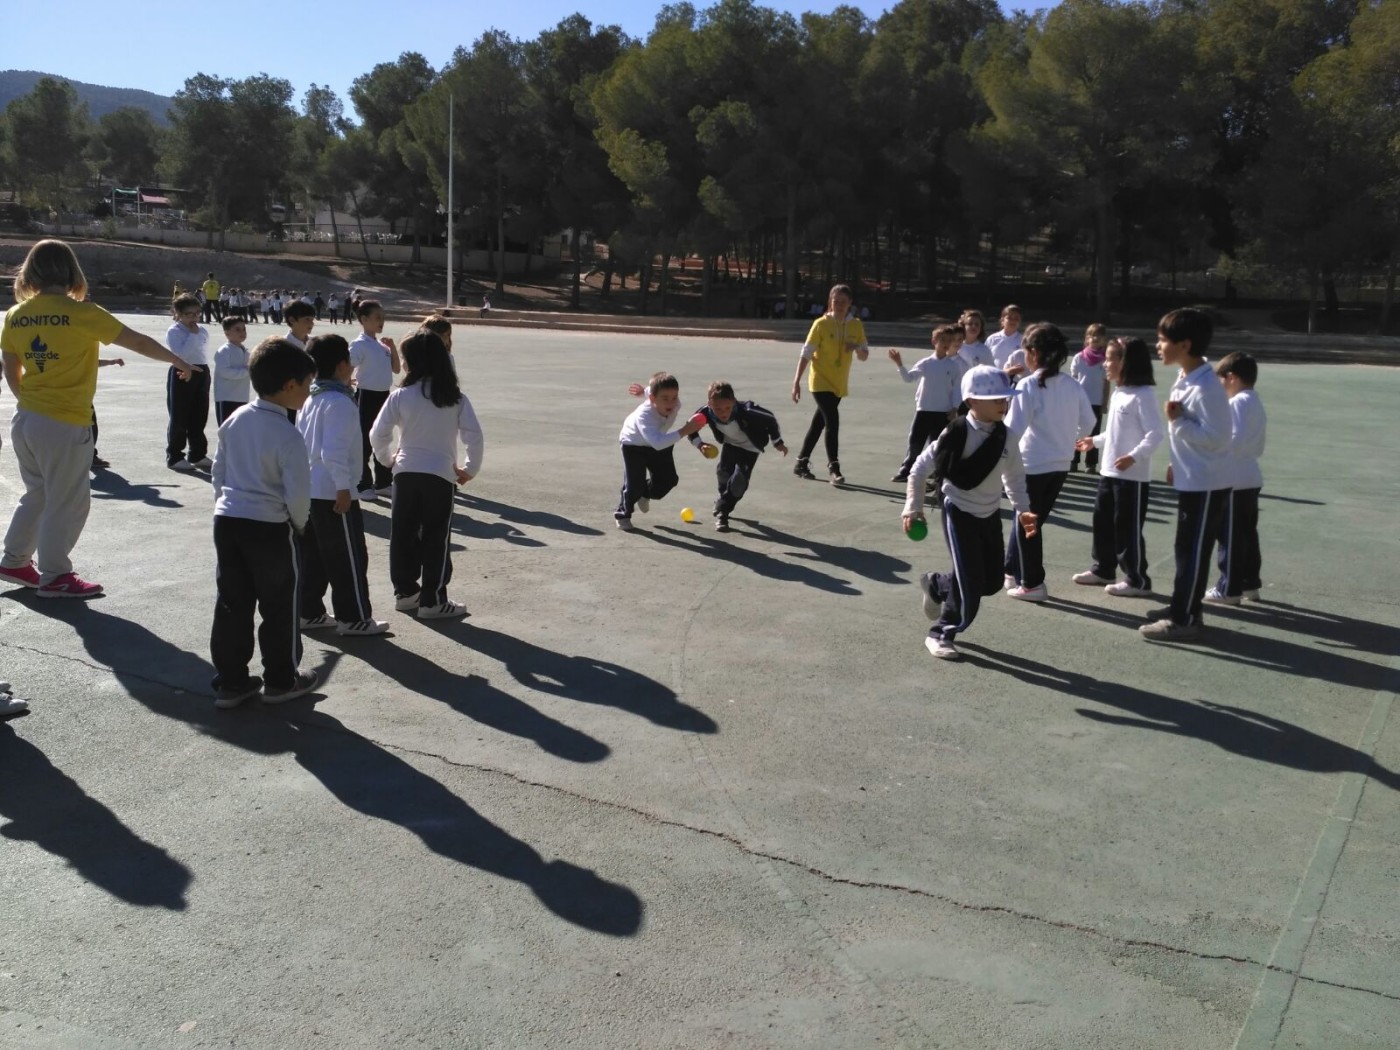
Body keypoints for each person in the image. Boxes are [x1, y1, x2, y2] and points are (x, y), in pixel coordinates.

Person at [0, 239, 200, 597]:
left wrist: (29, 401)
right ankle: (56, 575)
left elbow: (10, 369)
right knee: (68, 500)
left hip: (27, 419)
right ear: (72, 272)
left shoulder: (17, 315)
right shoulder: (83, 313)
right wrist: (177, 361)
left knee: (38, 493)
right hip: (65, 421)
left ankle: (14, 560)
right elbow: (137, 342)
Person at [209, 337, 319, 707]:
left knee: (232, 602)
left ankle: (231, 681)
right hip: (270, 527)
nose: (308, 394)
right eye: (307, 386)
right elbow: (298, 494)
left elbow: (218, 471)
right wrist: (299, 524)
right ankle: (281, 679)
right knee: (279, 605)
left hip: (228, 520)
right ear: (290, 386)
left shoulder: (235, 419)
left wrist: (223, 504)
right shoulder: (288, 434)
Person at [903, 365, 1036, 661]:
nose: (1005, 404)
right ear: (973, 401)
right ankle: (941, 633)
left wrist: (1023, 511)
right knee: (970, 584)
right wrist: (913, 507)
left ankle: (936, 583)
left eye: (1006, 398)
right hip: (958, 510)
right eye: (998, 399)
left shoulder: (1008, 438)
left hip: (989, 514)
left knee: (990, 582)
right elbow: (920, 469)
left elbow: (1014, 478)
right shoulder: (955, 433)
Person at [370, 330, 483, 619]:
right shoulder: (455, 398)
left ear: (413, 362)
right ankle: (433, 600)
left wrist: (388, 460)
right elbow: (474, 437)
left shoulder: (400, 396)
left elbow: (377, 434)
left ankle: (406, 592)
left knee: (403, 534)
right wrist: (468, 469)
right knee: (436, 536)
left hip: (405, 474)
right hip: (440, 476)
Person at [1140, 307, 1233, 642]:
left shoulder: (1207, 386)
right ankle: (1183, 605)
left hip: (1207, 483)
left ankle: (1186, 618)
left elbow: (1219, 438)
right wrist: (1176, 463)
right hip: (1193, 478)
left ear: (1185, 344)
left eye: (1163, 340)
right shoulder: (1187, 377)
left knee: (1193, 551)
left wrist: (1178, 422)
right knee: (1185, 549)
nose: (1158, 346)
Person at [296, 334, 389, 637]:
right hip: (334, 492)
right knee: (349, 556)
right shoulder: (340, 403)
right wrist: (343, 488)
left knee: (314, 555)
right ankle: (354, 618)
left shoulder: (311, 398)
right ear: (341, 366)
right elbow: (333, 451)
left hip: (310, 490)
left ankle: (308, 611)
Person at [1002, 322, 1095, 602]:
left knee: (1027, 523)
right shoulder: (1072, 385)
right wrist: (1069, 439)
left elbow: (1012, 431)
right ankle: (1010, 570)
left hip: (1031, 464)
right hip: (1060, 464)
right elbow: (1089, 422)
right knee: (1029, 520)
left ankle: (1032, 583)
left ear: (1033, 353)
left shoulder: (1028, 385)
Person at [1071, 337, 1163, 596]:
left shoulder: (1143, 395)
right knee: (1102, 522)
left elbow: (1155, 434)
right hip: (1108, 473)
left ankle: (1137, 579)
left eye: (1111, 358)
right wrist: (1094, 441)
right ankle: (1103, 569)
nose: (1105, 364)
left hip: (1132, 479)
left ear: (1128, 362)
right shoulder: (1120, 392)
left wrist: (1133, 456)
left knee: (1127, 529)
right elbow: (1115, 432)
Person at [790, 283, 869, 485]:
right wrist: (796, 381)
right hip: (819, 381)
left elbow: (864, 355)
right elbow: (806, 353)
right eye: (836, 301)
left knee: (819, 423)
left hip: (839, 384)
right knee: (832, 421)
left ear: (850, 303)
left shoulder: (856, 325)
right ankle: (834, 467)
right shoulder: (820, 324)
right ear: (830, 302)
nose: (839, 305)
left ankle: (801, 461)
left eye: (843, 302)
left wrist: (857, 348)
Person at [1206, 351, 1267, 605]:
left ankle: (1228, 588)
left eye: (1221, 380)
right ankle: (1248, 583)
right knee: (1246, 534)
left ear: (1231, 377)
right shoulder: (1254, 400)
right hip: (1249, 475)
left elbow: (1233, 438)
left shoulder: (1238, 403)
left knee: (1230, 535)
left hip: (1234, 477)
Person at [686, 380, 787, 531]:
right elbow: (690, 428)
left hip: (750, 448)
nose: (723, 413)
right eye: (717, 408)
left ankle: (723, 512)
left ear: (734, 402)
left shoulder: (748, 410)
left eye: (727, 407)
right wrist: (700, 445)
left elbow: (770, 418)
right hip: (730, 444)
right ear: (709, 404)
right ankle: (724, 500)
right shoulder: (705, 413)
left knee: (739, 482)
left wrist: (777, 441)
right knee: (723, 473)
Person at [615, 372, 706, 530]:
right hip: (634, 445)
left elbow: (652, 390)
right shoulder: (645, 416)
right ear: (652, 399)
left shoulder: (675, 403)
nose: (671, 402)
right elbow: (657, 443)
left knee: (669, 480)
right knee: (634, 485)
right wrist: (685, 430)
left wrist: (643, 390)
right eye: (665, 398)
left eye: (674, 397)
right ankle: (623, 514)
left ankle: (645, 493)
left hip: (659, 440)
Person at [888, 323, 967, 483]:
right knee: (915, 441)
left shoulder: (953, 366)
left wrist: (955, 408)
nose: (946, 344)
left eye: (949, 340)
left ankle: (938, 474)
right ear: (934, 341)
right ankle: (906, 470)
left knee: (938, 444)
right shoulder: (926, 363)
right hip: (924, 410)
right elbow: (909, 377)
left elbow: (957, 389)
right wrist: (899, 364)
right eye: (942, 340)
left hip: (943, 412)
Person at [349, 299, 401, 499]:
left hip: (383, 396)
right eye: (377, 317)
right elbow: (348, 366)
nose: (382, 321)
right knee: (364, 441)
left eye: (383, 317)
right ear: (364, 319)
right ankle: (363, 484)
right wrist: (347, 384)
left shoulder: (381, 345)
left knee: (383, 437)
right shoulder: (359, 344)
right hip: (366, 396)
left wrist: (393, 348)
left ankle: (383, 482)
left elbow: (396, 369)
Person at [166, 294, 213, 471]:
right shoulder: (174, 331)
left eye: (197, 313)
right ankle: (175, 455)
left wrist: (196, 333)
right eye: (189, 314)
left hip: (201, 371)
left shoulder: (202, 330)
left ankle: (197, 453)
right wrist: (193, 336)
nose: (194, 318)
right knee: (179, 415)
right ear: (179, 314)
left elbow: (202, 351)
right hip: (182, 370)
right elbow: (180, 354)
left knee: (199, 414)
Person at [1069, 323, 1110, 472]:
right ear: (1086, 338)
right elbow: (1073, 381)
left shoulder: (1106, 360)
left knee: (1094, 432)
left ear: (1104, 340)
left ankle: (1091, 463)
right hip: (1079, 401)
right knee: (1077, 431)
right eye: (1091, 335)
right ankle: (1074, 460)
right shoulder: (1079, 358)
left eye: (1099, 336)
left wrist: (1104, 402)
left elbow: (1106, 383)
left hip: (1096, 402)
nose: (1095, 338)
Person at [213, 316, 252, 425]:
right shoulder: (224, 351)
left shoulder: (246, 351)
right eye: (237, 329)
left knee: (239, 429)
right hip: (227, 397)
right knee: (226, 430)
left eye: (244, 329)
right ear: (227, 333)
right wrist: (247, 371)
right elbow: (224, 372)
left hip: (242, 396)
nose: (242, 332)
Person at [90, 356, 124, 470]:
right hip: (76, 398)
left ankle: (88, 456)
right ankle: (89, 457)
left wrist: (111, 362)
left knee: (90, 426)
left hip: (80, 397)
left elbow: (94, 362)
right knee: (90, 427)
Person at [986, 304, 1024, 374]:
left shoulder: (1023, 340)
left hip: (1015, 380)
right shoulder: (992, 339)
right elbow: (985, 359)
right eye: (1009, 318)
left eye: (1016, 318)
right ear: (1002, 320)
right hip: (994, 378)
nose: (1013, 321)